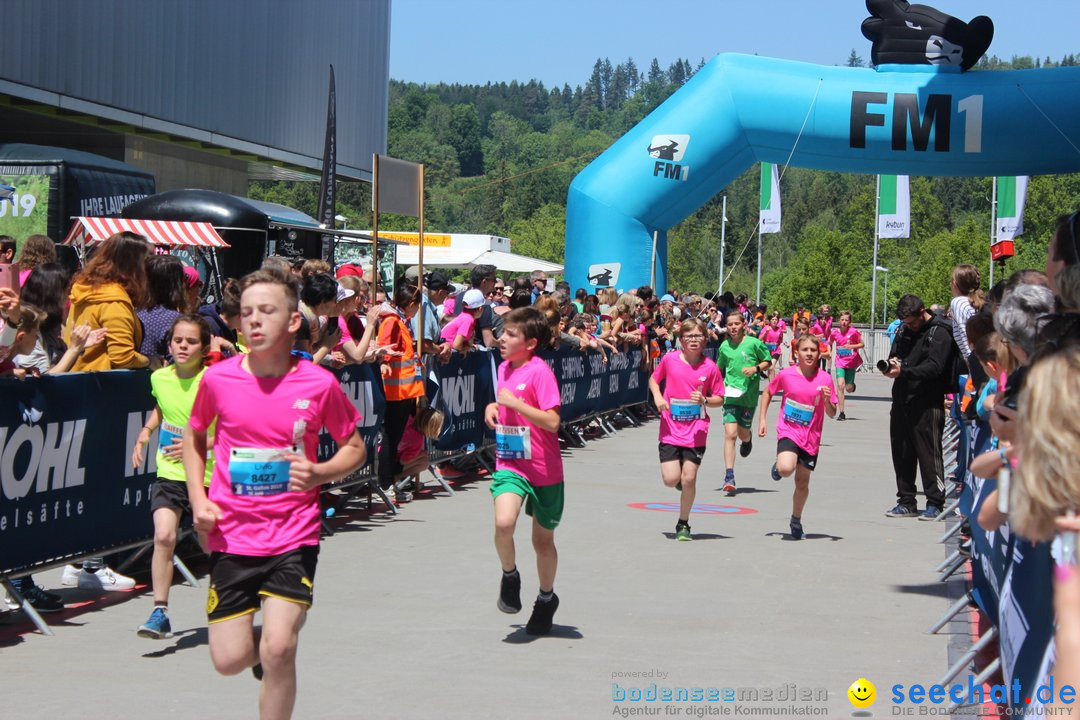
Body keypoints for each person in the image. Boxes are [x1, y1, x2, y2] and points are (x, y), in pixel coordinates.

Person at [182, 269, 366, 720]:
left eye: (267, 311)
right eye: (247, 313)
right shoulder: (218, 379)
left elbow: (356, 448)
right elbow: (193, 436)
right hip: (231, 536)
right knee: (228, 660)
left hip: (293, 535)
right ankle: (262, 654)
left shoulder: (318, 383)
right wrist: (198, 498)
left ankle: (274, 654)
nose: (254, 321)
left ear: (293, 321)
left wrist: (319, 472)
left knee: (281, 646)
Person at [130, 314, 216, 639]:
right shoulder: (160, 378)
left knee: (209, 541)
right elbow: (162, 408)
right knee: (164, 536)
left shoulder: (213, 382)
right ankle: (159, 612)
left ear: (204, 347)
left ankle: (231, 592)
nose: (183, 346)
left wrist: (198, 445)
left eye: (191, 341)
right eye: (178, 340)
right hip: (168, 471)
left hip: (207, 474)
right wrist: (146, 432)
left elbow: (233, 431)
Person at [486, 306, 565, 635]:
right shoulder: (503, 368)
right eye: (503, 332)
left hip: (544, 468)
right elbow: (503, 402)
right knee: (504, 522)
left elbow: (553, 421)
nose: (502, 338)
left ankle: (546, 599)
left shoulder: (540, 372)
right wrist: (493, 407)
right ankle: (509, 575)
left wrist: (516, 405)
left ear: (530, 343)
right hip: (510, 462)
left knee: (542, 541)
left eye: (511, 334)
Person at [882, 294, 958, 520]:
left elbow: (935, 367)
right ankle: (906, 500)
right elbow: (895, 355)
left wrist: (905, 370)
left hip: (928, 400)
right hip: (902, 397)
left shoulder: (940, 331)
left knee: (928, 452)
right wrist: (893, 364)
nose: (911, 326)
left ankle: (935, 501)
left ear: (922, 311)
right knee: (901, 451)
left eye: (913, 322)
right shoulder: (903, 330)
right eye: (906, 323)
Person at [648, 319, 725, 541]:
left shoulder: (710, 367)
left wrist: (705, 399)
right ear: (681, 340)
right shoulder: (670, 360)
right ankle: (679, 481)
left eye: (698, 336)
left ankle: (683, 523)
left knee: (689, 479)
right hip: (671, 429)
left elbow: (720, 398)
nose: (694, 340)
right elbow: (654, 380)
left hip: (696, 430)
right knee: (671, 480)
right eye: (689, 336)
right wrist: (658, 397)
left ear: (705, 339)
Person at [758, 333, 838, 539]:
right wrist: (763, 420)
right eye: (805, 350)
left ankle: (796, 519)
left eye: (813, 350)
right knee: (786, 468)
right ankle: (778, 466)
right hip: (789, 430)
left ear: (819, 353)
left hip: (811, 436)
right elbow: (767, 393)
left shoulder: (825, 378)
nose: (809, 354)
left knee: (802, 482)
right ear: (797, 353)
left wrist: (827, 400)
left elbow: (832, 413)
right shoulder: (786, 375)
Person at [66, 231, 151, 372]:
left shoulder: (85, 290)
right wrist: (148, 360)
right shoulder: (114, 301)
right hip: (102, 386)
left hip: (78, 378)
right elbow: (122, 357)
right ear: (133, 266)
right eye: (146, 261)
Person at [714, 310, 773, 495]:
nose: (733, 327)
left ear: (743, 325)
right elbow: (718, 369)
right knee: (730, 434)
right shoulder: (724, 346)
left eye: (736, 324)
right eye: (730, 324)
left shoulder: (754, 343)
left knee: (742, 433)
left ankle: (747, 440)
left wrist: (755, 368)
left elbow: (768, 361)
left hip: (748, 396)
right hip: (730, 395)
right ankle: (729, 475)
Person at [376, 285, 426, 502]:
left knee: (394, 439)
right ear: (411, 304)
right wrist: (385, 363)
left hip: (404, 389)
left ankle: (390, 483)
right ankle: (385, 485)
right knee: (390, 438)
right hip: (394, 390)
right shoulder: (391, 321)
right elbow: (385, 348)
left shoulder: (402, 321)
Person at [137, 254, 187, 363]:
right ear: (176, 284)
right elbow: (179, 363)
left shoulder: (136, 314)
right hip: (162, 378)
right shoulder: (176, 321)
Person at [829, 311, 864, 421]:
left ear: (850, 322)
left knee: (848, 389)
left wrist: (851, 346)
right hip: (840, 362)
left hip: (851, 362)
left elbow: (862, 344)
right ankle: (842, 413)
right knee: (840, 385)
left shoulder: (853, 332)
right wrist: (829, 352)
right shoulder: (834, 333)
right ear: (839, 320)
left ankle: (852, 385)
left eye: (846, 320)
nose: (844, 322)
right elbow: (829, 343)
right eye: (842, 320)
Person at [441, 288, 485, 353]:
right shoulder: (468, 320)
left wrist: (468, 345)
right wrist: (464, 349)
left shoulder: (464, 316)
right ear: (480, 308)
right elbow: (457, 345)